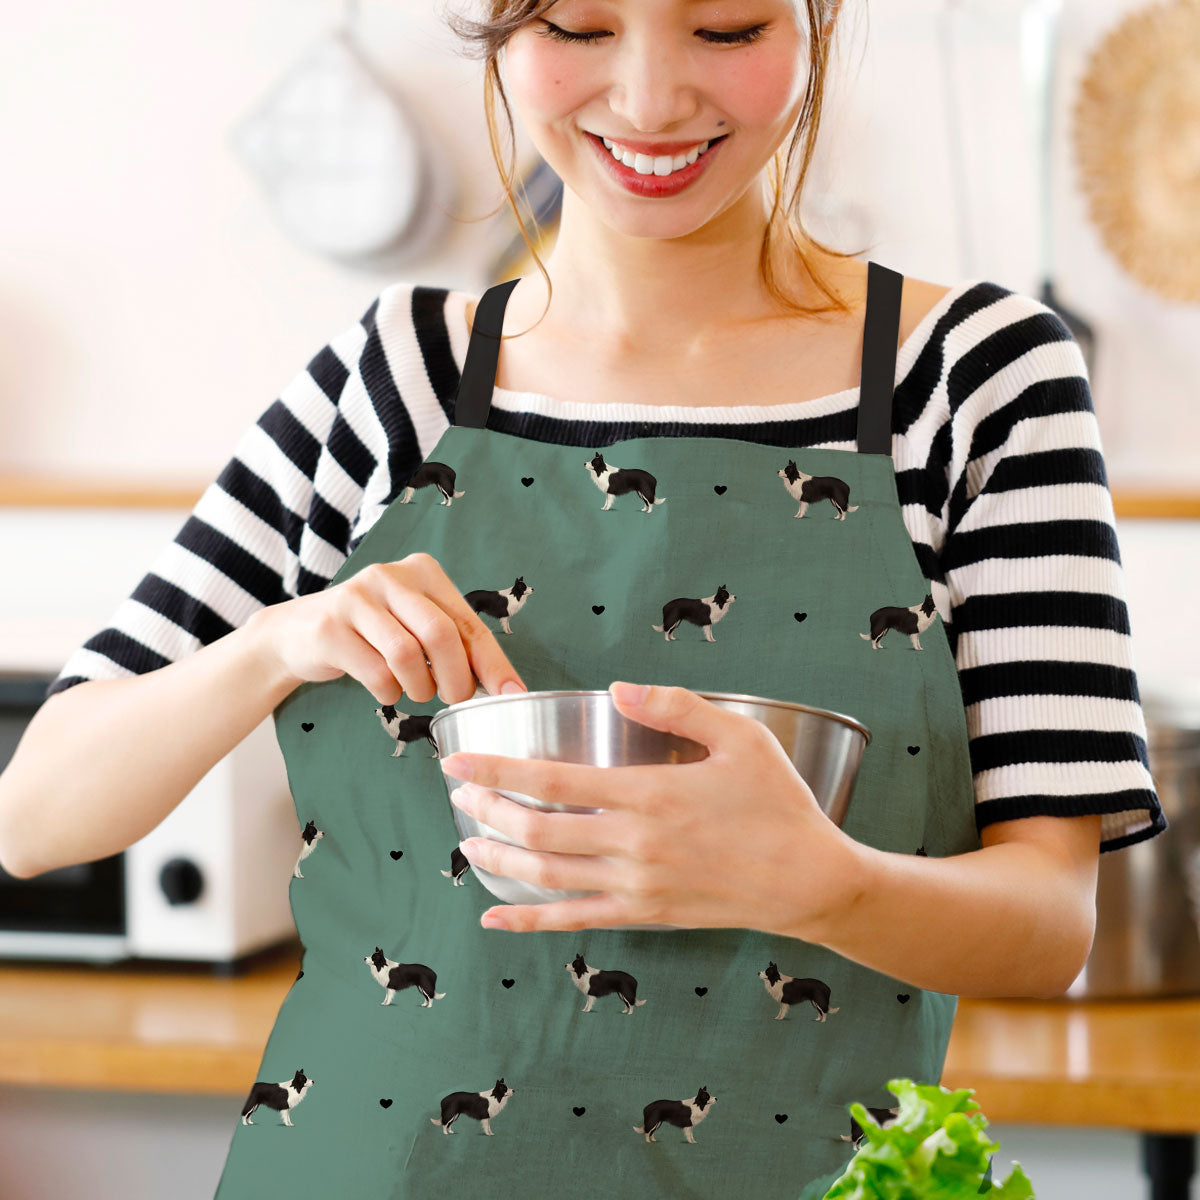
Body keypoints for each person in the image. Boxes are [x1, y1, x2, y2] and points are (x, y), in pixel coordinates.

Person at [0, 1, 1166, 1196]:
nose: (653, 100)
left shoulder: (975, 381)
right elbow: (34, 816)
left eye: (726, 28)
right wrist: (274, 640)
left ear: (815, 22)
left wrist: (822, 884)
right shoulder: (393, 379)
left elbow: (1047, 924)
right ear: (499, 32)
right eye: (578, 25)